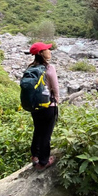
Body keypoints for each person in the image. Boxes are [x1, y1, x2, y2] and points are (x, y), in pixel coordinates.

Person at [28, 42, 59, 171]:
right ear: (41, 53)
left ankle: (35, 156)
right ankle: (43, 162)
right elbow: (55, 88)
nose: (49, 51)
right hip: (48, 106)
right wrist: (56, 101)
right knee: (46, 134)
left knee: (38, 130)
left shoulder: (30, 68)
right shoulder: (49, 68)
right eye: (46, 49)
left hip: (35, 107)